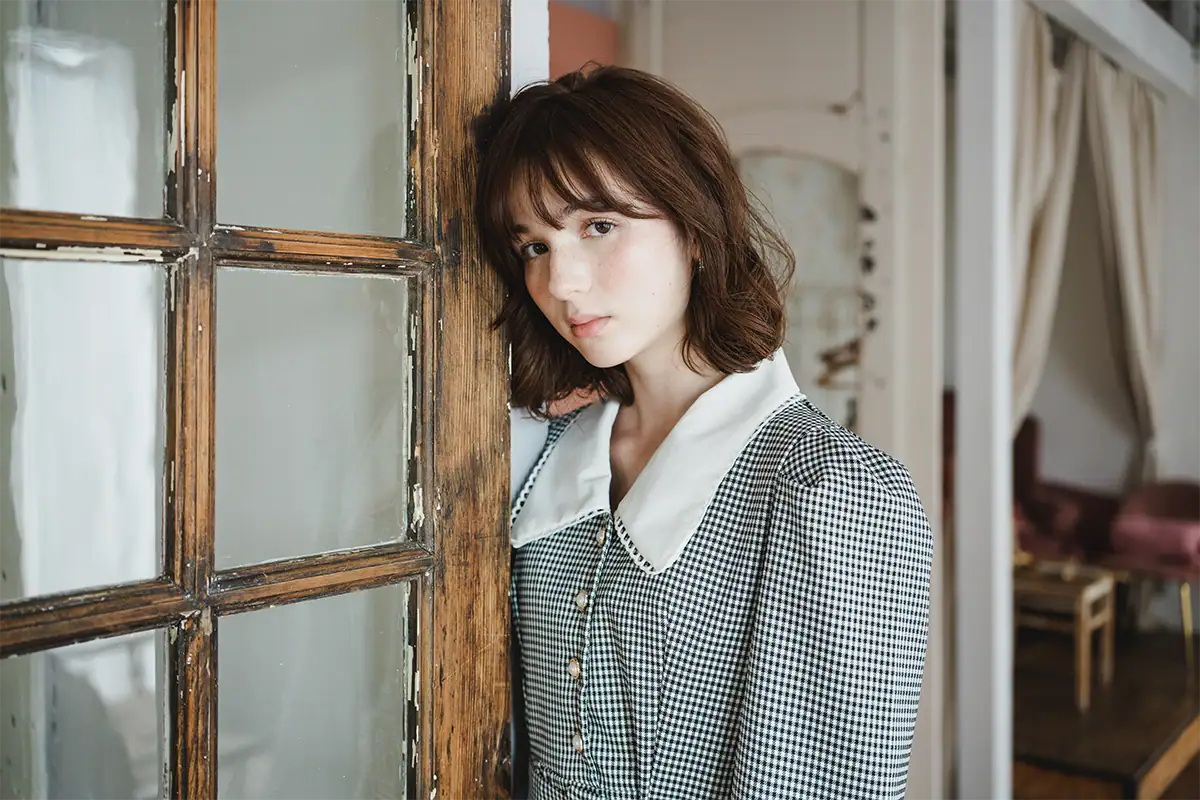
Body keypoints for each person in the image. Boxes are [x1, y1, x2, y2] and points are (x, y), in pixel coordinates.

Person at [475, 65, 933, 800]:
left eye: (598, 226)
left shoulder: (835, 492)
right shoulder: (546, 459)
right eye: (534, 245)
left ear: (695, 227)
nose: (560, 283)